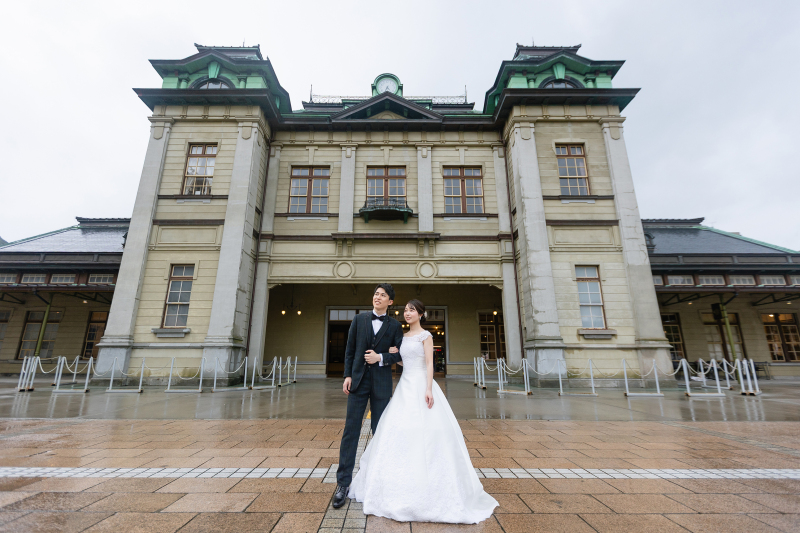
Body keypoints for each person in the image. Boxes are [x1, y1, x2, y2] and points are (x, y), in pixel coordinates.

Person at [348, 299, 498, 524]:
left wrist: (428, 388)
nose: (407, 313)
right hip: (404, 387)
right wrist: (393, 355)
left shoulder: (426, 336)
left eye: (412, 310)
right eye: (406, 310)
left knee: (427, 432)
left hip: (421, 386)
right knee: (400, 431)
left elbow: (429, 364)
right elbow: (404, 361)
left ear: (421, 314)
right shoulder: (402, 336)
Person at [332, 283, 404, 509]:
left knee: (380, 432)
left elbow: (402, 354)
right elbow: (350, 350)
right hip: (358, 381)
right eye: (376, 294)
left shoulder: (394, 325)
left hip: (382, 384)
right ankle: (343, 483)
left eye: (383, 295)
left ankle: (380, 481)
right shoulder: (358, 320)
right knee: (350, 430)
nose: (378, 297)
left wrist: (381, 357)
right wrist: (347, 375)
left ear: (390, 302)